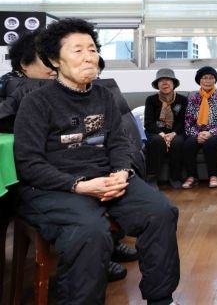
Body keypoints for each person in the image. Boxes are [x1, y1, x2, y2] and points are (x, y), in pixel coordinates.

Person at [13, 18, 180, 305]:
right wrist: (79, 185)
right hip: (55, 187)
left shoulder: (103, 96)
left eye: (92, 49)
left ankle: (161, 299)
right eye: (77, 50)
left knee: (161, 212)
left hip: (105, 178)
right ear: (55, 59)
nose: (89, 56)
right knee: (89, 231)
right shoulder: (36, 102)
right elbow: (29, 164)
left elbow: (118, 143)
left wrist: (121, 172)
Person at [0, 28, 137, 283]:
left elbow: (112, 139)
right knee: (84, 222)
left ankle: (105, 246)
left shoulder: (96, 92)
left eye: (91, 50)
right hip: (48, 177)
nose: (52, 67)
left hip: (94, 167)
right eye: (46, 59)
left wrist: (120, 170)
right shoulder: (21, 90)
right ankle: (95, 250)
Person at [182, 66, 217, 189]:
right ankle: (192, 177)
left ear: (215, 80)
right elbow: (188, 122)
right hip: (198, 132)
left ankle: (213, 176)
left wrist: (210, 133)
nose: (208, 81)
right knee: (189, 143)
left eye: (211, 78)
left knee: (210, 144)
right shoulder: (193, 98)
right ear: (200, 80)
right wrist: (197, 134)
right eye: (205, 78)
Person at [144, 68, 188, 189]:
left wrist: (173, 134)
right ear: (157, 85)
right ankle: (152, 178)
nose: (165, 83)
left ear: (173, 83)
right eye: (161, 80)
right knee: (157, 141)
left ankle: (175, 177)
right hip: (156, 133)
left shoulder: (183, 100)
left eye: (168, 80)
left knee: (177, 142)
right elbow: (148, 123)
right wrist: (162, 135)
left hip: (176, 132)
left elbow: (183, 121)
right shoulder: (151, 100)